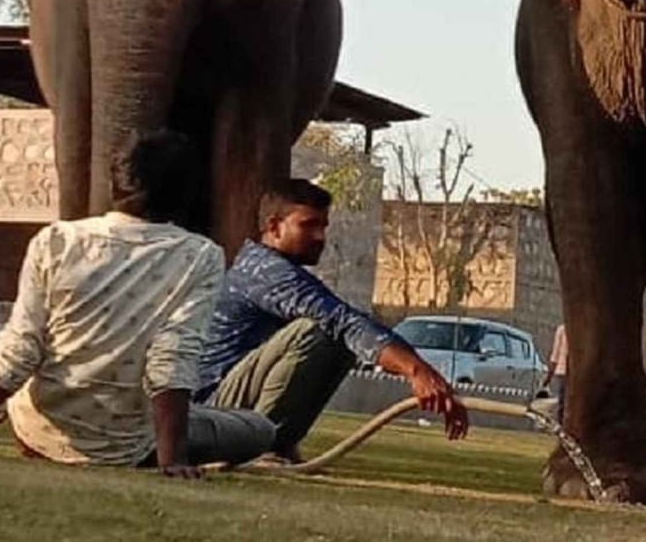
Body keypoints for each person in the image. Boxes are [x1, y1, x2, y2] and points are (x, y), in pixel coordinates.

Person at [0, 131, 274, 475]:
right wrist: (173, 460)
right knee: (258, 429)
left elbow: (21, 343)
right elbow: (173, 355)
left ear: (115, 183)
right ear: (187, 194)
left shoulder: (57, 239)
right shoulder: (199, 256)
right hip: (126, 444)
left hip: (35, 431)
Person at [196, 179, 468, 460]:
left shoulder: (275, 270)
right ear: (274, 226)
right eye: (308, 225)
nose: (320, 237)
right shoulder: (266, 271)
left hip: (220, 411)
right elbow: (341, 320)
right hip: (209, 412)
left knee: (341, 336)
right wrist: (416, 371)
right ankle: (262, 446)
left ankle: (277, 443)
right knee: (320, 330)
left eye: (323, 226)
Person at [543, 322, 568, 420]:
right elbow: (556, 354)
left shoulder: (563, 329)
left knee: (564, 401)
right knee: (563, 401)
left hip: (565, 371)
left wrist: (549, 376)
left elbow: (555, 354)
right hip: (564, 370)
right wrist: (549, 375)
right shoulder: (562, 330)